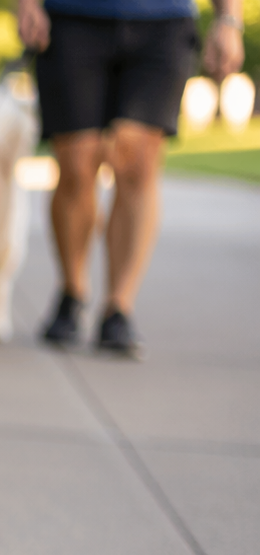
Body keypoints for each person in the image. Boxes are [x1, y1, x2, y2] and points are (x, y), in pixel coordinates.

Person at [16, 0, 246, 356]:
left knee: (138, 161)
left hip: (163, 20)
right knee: (77, 164)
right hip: (73, 18)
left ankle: (118, 307)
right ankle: (73, 290)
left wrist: (228, 20)